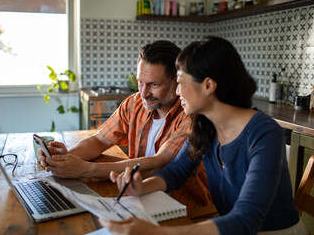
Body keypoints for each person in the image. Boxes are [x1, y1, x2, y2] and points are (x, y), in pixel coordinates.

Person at [100, 36, 307, 235]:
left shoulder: (264, 132)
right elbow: (177, 171)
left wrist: (157, 232)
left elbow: (247, 219)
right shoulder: (205, 125)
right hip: (226, 225)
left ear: (208, 86)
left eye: (180, 82)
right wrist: (141, 187)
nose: (178, 91)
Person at [39, 41, 211, 210]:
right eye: (140, 82)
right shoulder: (134, 103)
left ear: (176, 82)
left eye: (154, 84)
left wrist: (86, 169)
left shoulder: (191, 115)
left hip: (183, 205)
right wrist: (64, 159)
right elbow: (100, 139)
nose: (143, 93)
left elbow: (158, 163)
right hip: (136, 196)